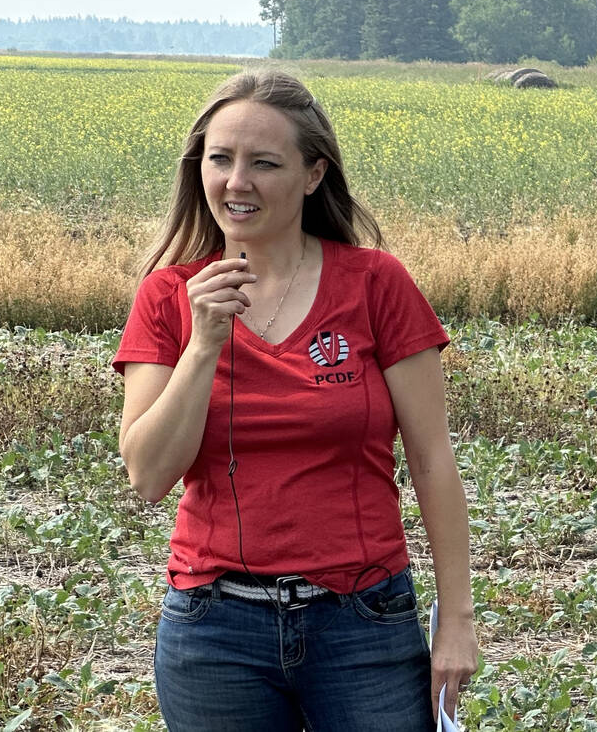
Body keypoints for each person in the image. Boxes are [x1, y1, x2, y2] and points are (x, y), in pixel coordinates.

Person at [113, 70, 477, 731]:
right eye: (220, 158)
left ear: (313, 174)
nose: (236, 181)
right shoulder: (169, 297)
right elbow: (147, 474)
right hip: (214, 631)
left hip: (363, 623)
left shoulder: (376, 285)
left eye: (264, 162)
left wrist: (456, 620)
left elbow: (431, 458)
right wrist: (202, 346)